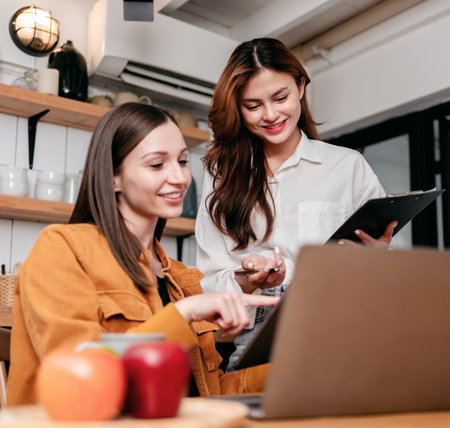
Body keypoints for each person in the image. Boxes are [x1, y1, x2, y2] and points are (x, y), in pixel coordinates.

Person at [7, 103, 279, 406]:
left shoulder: (177, 276)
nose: (179, 177)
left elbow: (203, 393)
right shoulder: (62, 248)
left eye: (183, 161)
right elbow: (82, 382)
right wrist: (185, 313)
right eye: (156, 164)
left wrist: (286, 373)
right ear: (113, 177)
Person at [195, 38, 396, 372]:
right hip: (259, 348)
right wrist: (252, 279)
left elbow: (385, 272)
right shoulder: (221, 178)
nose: (271, 115)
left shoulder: (347, 166)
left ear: (301, 86)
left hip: (345, 337)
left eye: (280, 97)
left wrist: (376, 257)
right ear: (237, 106)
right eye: (253, 105)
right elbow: (208, 282)